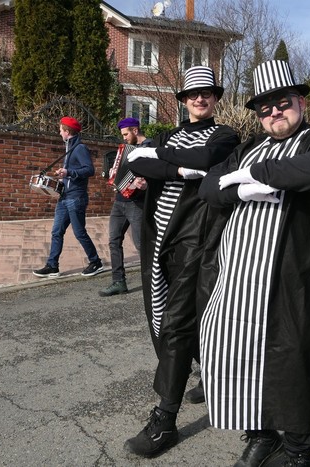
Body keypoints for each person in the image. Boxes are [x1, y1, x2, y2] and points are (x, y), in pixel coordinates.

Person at [198, 60, 310, 467]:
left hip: (294, 275)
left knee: (292, 358)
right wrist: (239, 191)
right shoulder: (248, 147)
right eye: (265, 108)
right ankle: (262, 434)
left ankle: (298, 448)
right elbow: (210, 187)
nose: (274, 113)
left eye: (283, 103)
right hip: (238, 274)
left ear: (301, 102)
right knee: (234, 350)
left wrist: (253, 175)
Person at [123, 65, 240, 457]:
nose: (200, 98)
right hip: (159, 240)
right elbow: (133, 159)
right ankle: (211, 372)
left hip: (197, 241)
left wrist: (158, 159)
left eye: (207, 93)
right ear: (184, 100)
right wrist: (177, 167)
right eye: (193, 94)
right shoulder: (169, 136)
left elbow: (206, 157)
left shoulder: (225, 135)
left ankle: (165, 419)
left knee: (176, 321)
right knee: (170, 316)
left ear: (215, 98)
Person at [33, 116, 104, 278]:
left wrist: (68, 172)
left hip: (76, 197)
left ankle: (96, 262)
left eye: (60, 130)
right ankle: (52, 266)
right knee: (56, 232)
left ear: (67, 131)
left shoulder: (79, 148)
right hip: (65, 197)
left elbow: (89, 170)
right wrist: (63, 176)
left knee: (79, 232)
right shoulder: (69, 147)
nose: (59, 133)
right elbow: (72, 173)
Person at [98, 117, 151, 297]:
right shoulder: (125, 149)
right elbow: (120, 171)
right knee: (114, 241)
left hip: (137, 204)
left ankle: (154, 283)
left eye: (126, 134)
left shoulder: (150, 148)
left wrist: (145, 184)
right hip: (120, 201)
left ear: (135, 130)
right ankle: (118, 282)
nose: (125, 138)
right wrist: (113, 174)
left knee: (141, 245)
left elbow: (156, 175)